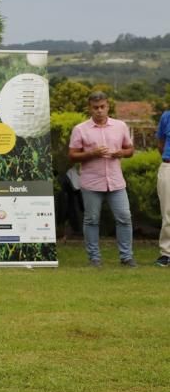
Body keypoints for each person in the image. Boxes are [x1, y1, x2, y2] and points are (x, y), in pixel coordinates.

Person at [68, 92, 136, 268]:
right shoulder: (80, 129)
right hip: (91, 182)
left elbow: (130, 150)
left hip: (116, 181)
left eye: (102, 107)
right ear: (89, 108)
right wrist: (92, 153)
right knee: (91, 220)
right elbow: (72, 156)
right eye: (95, 107)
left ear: (108, 107)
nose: (99, 111)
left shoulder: (120, 126)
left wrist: (120, 153)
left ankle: (126, 257)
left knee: (124, 218)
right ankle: (94, 258)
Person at [156, 108, 170, 267]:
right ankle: (166, 253)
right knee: (167, 212)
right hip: (168, 166)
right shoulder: (166, 116)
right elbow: (160, 143)